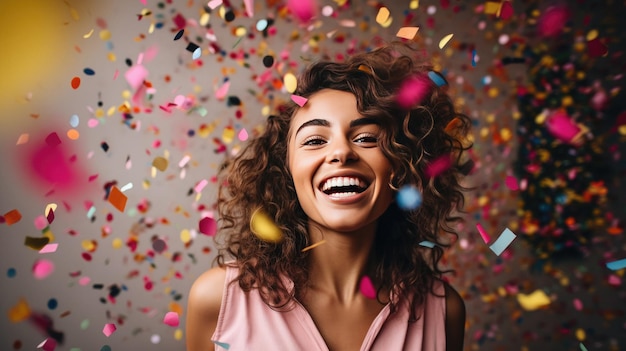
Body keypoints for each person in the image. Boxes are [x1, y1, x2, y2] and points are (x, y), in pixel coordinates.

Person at [186, 41, 471, 351]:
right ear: (287, 171)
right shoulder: (216, 300)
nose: (341, 152)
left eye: (366, 138)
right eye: (314, 140)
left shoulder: (444, 311)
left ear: (403, 168)